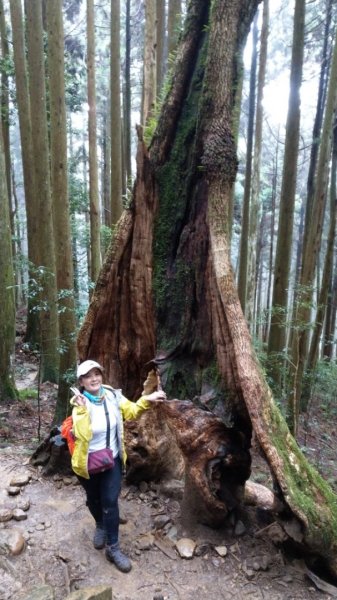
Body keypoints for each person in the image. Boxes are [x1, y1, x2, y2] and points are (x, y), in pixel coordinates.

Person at [69, 359, 166, 573]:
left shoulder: (112, 395)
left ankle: (113, 548)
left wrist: (147, 399)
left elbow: (130, 411)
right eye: (88, 376)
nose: (94, 378)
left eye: (97, 374)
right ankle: (100, 525)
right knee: (92, 500)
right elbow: (83, 435)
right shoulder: (78, 404)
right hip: (87, 464)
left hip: (111, 460)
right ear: (82, 381)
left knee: (110, 502)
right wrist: (84, 411)